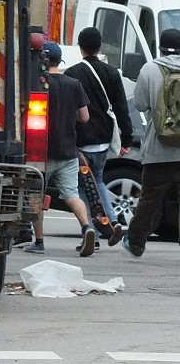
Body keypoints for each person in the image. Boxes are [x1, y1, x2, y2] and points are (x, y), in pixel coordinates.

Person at [24, 42, 96, 257]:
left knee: (36, 196)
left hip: (40, 153)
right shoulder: (74, 84)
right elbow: (85, 117)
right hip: (68, 150)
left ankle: (38, 241)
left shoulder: (37, 84)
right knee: (71, 195)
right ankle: (87, 228)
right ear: (59, 60)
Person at [64, 27, 133, 246]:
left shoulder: (72, 74)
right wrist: (127, 138)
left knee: (83, 185)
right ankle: (113, 220)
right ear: (99, 46)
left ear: (80, 47)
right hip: (103, 138)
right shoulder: (112, 73)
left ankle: (90, 232)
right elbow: (122, 107)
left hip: (80, 139)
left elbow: (68, 110)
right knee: (99, 180)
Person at [123, 28, 180, 258]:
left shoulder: (150, 68)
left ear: (161, 47)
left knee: (150, 198)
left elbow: (139, 104)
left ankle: (136, 243)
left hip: (158, 150)